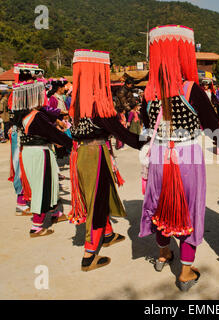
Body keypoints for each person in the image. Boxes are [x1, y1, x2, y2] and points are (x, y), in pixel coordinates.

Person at [139, 25, 219, 291]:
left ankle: (163, 254)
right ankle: (186, 271)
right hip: (187, 155)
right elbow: (214, 129)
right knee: (189, 208)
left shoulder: (149, 93)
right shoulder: (191, 90)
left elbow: (144, 126)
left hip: (159, 157)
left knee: (162, 204)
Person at [68, 49, 147, 272]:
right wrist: (149, 140)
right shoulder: (98, 103)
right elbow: (122, 133)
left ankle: (108, 233)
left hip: (83, 154)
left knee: (100, 194)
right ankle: (89, 253)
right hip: (95, 155)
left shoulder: (78, 103)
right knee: (97, 200)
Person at [12, 77, 72, 237]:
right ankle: (37, 225)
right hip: (39, 153)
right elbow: (53, 134)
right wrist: (73, 145)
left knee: (50, 182)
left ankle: (54, 213)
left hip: (30, 152)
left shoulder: (23, 115)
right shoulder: (37, 117)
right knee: (43, 186)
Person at [8, 63, 46, 216]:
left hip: (21, 131)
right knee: (21, 167)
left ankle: (25, 199)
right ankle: (21, 202)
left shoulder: (18, 92)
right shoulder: (21, 92)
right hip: (22, 132)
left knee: (24, 166)